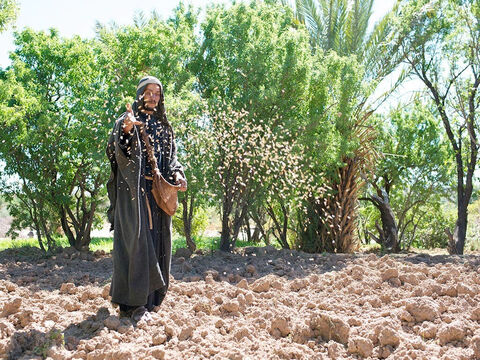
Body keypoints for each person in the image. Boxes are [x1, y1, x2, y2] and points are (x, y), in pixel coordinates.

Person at [106, 75, 187, 322]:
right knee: (137, 246)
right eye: (149, 92)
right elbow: (114, 150)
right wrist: (127, 131)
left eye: (157, 93)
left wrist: (178, 174)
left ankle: (151, 302)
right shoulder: (127, 120)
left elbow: (172, 157)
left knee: (159, 245)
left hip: (158, 196)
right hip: (134, 197)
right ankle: (131, 304)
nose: (153, 97)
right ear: (140, 94)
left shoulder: (164, 126)